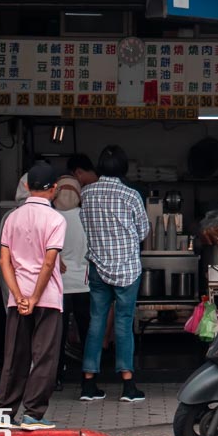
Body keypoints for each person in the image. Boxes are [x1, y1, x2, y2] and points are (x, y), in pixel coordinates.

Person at [0, 162, 66, 430]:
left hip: (18, 298)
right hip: (46, 297)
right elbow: (49, 262)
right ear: (54, 189)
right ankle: (33, 414)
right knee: (44, 356)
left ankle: (5, 413)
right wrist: (36, 296)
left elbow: (5, 261)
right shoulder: (55, 220)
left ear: (26, 187)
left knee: (15, 355)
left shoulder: (12, 218)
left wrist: (19, 294)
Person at [79, 145, 149, 402]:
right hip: (127, 269)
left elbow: (84, 224)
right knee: (123, 323)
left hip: (98, 266)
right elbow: (143, 232)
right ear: (123, 168)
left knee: (96, 322)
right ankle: (128, 385)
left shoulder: (86, 193)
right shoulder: (130, 195)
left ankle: (88, 383)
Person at [53, 174, 90, 390]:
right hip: (84, 284)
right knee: (87, 332)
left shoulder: (51, 216)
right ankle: (88, 377)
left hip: (58, 284)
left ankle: (56, 376)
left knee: (57, 334)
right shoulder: (85, 216)